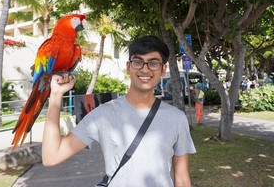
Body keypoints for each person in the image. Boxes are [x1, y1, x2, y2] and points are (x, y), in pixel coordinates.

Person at [42, 35, 196, 187]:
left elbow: (182, 180)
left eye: (153, 63)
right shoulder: (103, 114)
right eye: (138, 62)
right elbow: (51, 157)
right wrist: (56, 95)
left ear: (163, 70)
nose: (145, 69)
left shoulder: (176, 118)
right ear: (128, 67)